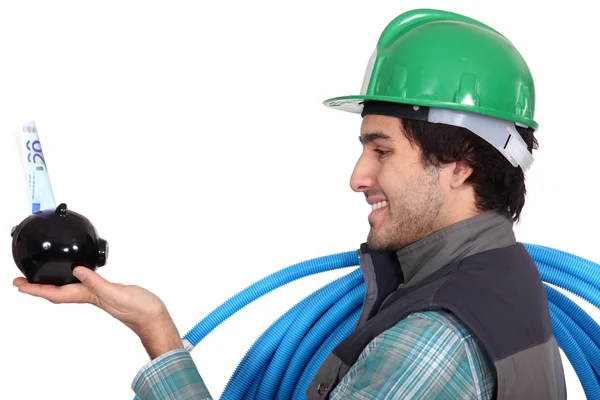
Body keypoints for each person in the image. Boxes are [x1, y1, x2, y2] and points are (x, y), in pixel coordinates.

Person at [12, 8, 567, 400]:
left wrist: (158, 340)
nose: (358, 176)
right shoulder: (496, 282)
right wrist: (154, 327)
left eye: (382, 149)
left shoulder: (433, 342)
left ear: (461, 162)